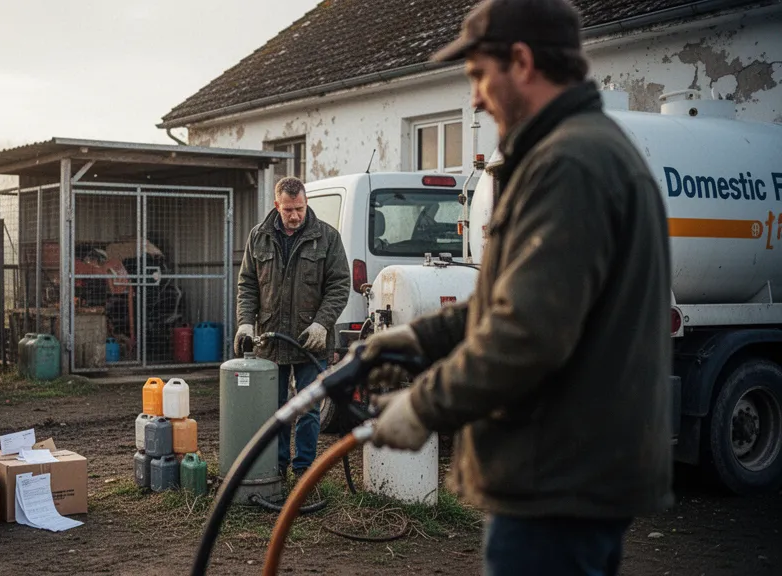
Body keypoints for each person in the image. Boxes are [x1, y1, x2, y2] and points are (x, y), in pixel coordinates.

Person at [359, 0, 675, 574]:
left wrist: (423, 406)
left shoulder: (570, 165)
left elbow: (527, 331)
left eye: (480, 75)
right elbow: (510, 301)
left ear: (523, 62)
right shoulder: (570, 154)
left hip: (556, 481)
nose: (475, 98)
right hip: (568, 477)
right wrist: (418, 339)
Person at [235, 176, 351, 479]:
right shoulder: (259, 237)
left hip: (310, 340)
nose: (295, 215)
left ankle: (304, 472)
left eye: (299, 208)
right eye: (288, 210)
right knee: (275, 408)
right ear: (277, 205)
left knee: (309, 408)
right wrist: (245, 323)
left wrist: (321, 324)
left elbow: (340, 286)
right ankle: (277, 468)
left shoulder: (327, 237)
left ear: (306, 202)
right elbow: (248, 284)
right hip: (271, 340)